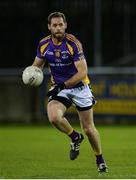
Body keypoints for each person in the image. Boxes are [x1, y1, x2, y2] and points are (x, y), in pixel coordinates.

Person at [32, 12, 108, 172]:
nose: (58, 28)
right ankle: (75, 136)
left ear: (65, 25)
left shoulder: (73, 43)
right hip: (61, 88)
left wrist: (62, 85)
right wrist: (31, 74)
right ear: (49, 27)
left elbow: (82, 72)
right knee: (53, 117)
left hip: (80, 88)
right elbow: (37, 65)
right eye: (54, 25)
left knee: (88, 128)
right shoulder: (44, 44)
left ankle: (100, 159)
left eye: (60, 24)